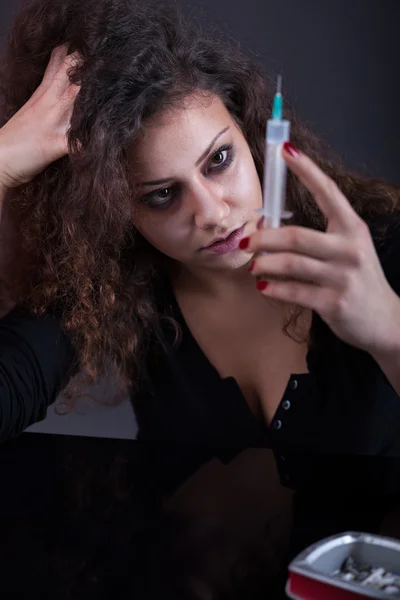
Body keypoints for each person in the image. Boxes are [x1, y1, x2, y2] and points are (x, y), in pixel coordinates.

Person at [1, 0, 400, 493]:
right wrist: (2, 163)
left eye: (220, 159)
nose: (211, 213)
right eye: (162, 195)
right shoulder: (115, 290)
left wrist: (388, 329)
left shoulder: (379, 247)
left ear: (251, 133)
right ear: (112, 211)